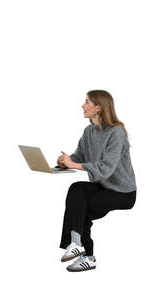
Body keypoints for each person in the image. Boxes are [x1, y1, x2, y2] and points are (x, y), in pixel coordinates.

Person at [57, 90, 137, 272]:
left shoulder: (116, 133)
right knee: (77, 189)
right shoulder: (89, 131)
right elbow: (79, 157)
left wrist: (74, 164)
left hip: (123, 193)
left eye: (87, 102)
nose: (82, 106)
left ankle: (86, 255)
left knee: (80, 206)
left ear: (98, 108)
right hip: (103, 186)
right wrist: (64, 162)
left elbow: (105, 168)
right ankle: (78, 245)